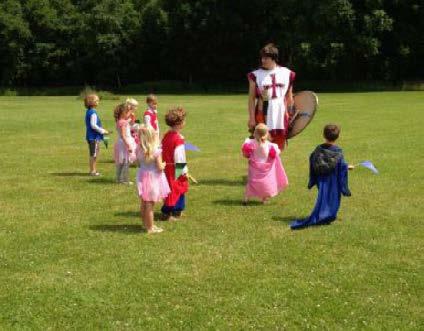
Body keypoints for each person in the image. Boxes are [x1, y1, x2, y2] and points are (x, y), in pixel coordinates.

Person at [290, 124, 353, 230]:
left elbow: (312, 158)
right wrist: (347, 167)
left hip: (321, 179)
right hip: (332, 180)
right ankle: (327, 216)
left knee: (323, 196)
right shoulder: (338, 152)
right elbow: (340, 166)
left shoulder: (318, 149)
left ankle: (324, 214)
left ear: (323, 135)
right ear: (338, 136)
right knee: (332, 198)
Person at [247, 43, 296, 150]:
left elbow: (289, 97)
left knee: (278, 148)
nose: (262, 60)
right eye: (262, 58)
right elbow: (251, 99)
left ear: (274, 58)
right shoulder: (255, 75)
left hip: (280, 114)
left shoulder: (287, 74)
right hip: (262, 114)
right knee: (262, 147)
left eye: (266, 58)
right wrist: (251, 119)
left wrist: (291, 114)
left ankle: (275, 166)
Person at [242, 123, 288, 204]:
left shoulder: (251, 142)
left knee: (251, 183)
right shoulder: (270, 146)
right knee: (265, 183)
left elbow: (245, 151)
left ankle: (246, 198)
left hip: (254, 167)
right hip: (266, 168)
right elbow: (277, 153)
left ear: (254, 133)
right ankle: (264, 199)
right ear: (267, 134)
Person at [136, 125, 170, 234]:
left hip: (142, 176)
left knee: (144, 202)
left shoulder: (138, 149)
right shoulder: (156, 151)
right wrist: (164, 165)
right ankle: (150, 227)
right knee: (150, 204)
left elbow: (137, 163)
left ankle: (145, 224)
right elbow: (160, 167)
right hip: (153, 178)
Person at [161, 107, 189, 221]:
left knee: (173, 189)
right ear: (179, 123)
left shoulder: (167, 135)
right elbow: (179, 157)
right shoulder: (178, 139)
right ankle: (169, 213)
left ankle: (176, 211)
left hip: (167, 167)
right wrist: (184, 171)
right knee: (175, 189)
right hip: (175, 169)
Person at [84, 94, 109, 176]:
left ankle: (94, 170)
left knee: (94, 153)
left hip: (92, 136)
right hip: (93, 137)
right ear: (92, 102)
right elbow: (93, 125)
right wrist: (102, 131)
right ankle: (92, 171)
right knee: (93, 154)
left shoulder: (89, 111)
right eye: (97, 100)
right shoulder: (93, 113)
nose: (98, 102)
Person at [113, 103, 136, 184]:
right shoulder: (123, 123)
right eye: (128, 112)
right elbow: (123, 135)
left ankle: (118, 179)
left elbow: (131, 123)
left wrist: (132, 118)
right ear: (123, 113)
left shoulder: (120, 121)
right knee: (126, 162)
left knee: (120, 163)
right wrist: (128, 145)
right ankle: (125, 180)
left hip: (121, 143)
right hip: (124, 143)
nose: (130, 113)